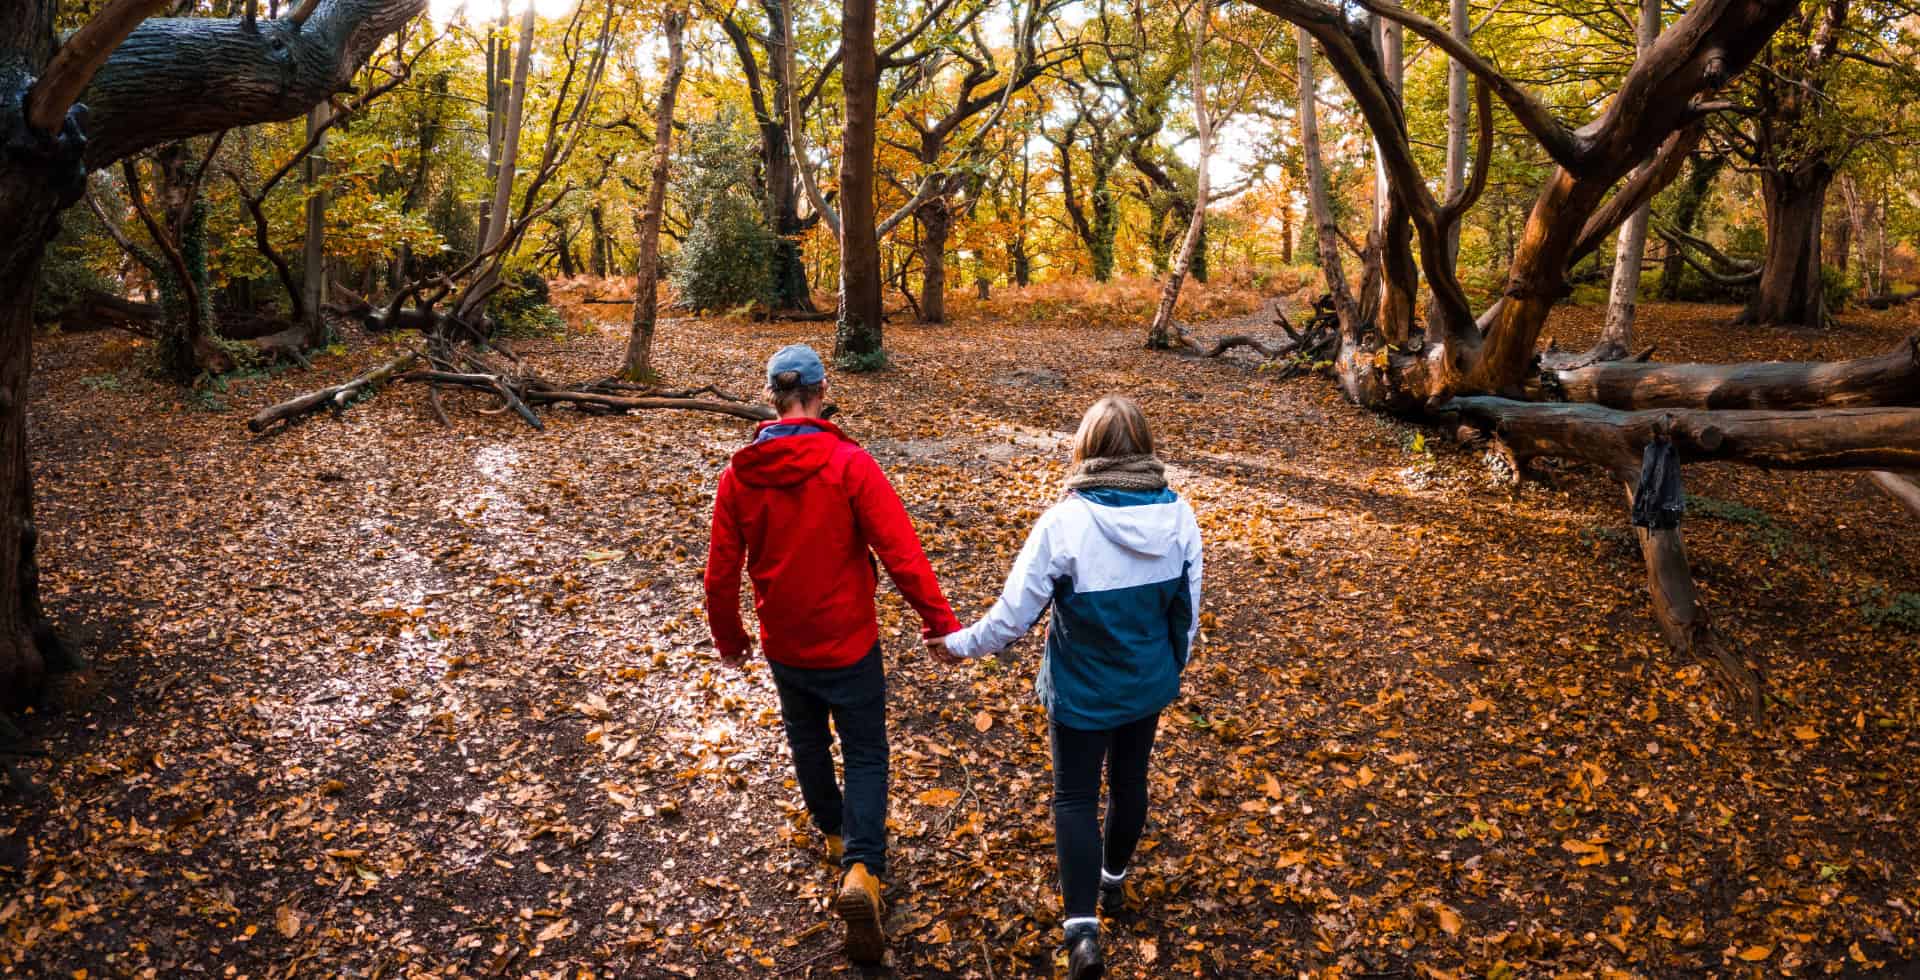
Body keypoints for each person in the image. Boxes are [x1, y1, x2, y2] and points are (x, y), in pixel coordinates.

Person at [704, 343, 962, 966]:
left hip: (785, 644)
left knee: (807, 738)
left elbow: (719, 573)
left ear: (773, 398)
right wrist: (940, 624)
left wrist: (730, 640)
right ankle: (862, 869)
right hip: (849, 642)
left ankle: (833, 832)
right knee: (867, 749)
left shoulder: (739, 475)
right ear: (820, 394)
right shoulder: (850, 464)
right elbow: (901, 552)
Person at [928, 395, 1203, 980]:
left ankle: (1083, 933)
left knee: (1076, 797)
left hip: (1080, 691)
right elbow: (1187, 612)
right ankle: (1114, 881)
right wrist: (1169, 671)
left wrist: (957, 646)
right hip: (1146, 683)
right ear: (1145, 448)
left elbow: (1012, 616)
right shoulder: (1180, 516)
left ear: (1087, 447)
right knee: (1130, 782)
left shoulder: (1066, 521)